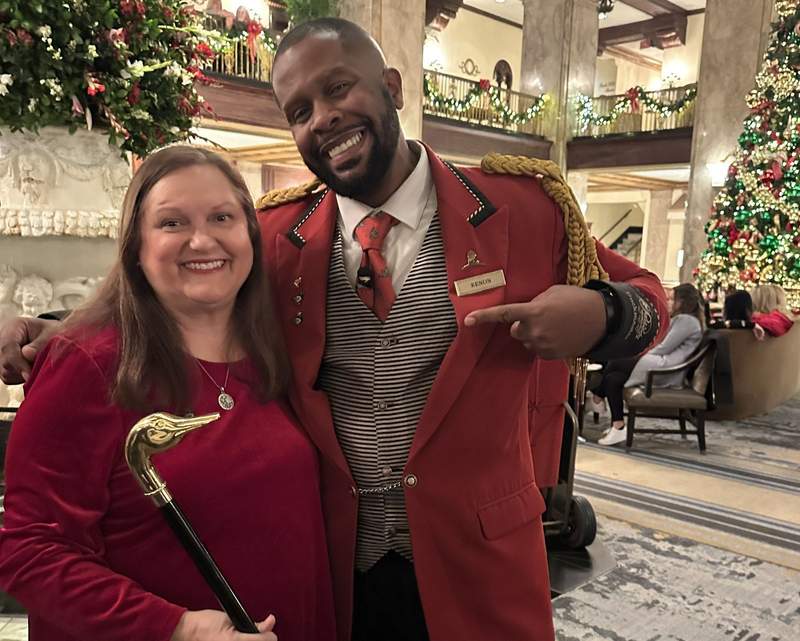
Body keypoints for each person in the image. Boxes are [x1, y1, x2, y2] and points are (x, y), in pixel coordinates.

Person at [0, 18, 669, 641]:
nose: (324, 118)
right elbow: (171, 295)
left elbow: (650, 296)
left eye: (338, 88)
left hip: (481, 564)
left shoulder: (521, 209)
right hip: (336, 568)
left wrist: (605, 313)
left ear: (393, 87)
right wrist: (41, 328)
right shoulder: (271, 236)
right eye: (299, 111)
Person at [0, 147, 335, 641]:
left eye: (222, 217)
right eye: (172, 223)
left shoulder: (277, 350)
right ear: (136, 246)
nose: (202, 240)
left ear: (250, 235)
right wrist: (178, 628)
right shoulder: (90, 365)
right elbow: (29, 550)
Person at [593, 283, 705, 446]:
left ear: (683, 301)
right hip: (660, 363)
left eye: (673, 299)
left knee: (617, 359)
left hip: (665, 368)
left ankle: (597, 397)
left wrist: (638, 354)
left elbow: (664, 347)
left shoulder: (686, 320)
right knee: (613, 379)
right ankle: (618, 426)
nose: (669, 302)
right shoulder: (686, 320)